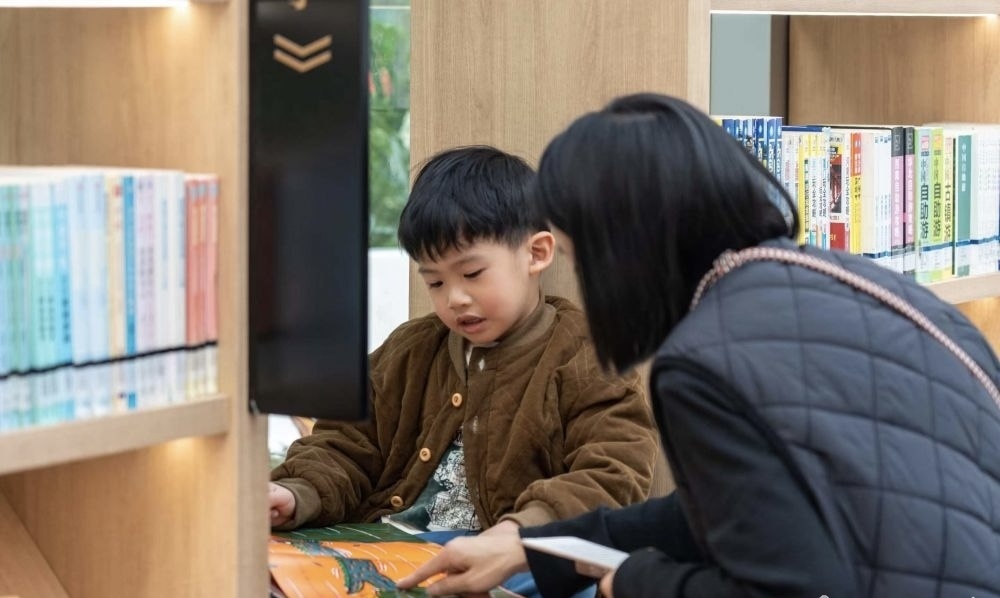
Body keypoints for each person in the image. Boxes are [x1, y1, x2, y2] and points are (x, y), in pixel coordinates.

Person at [397, 94, 1000, 597]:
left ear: (624, 249)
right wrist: (533, 547)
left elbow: (783, 584)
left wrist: (634, 581)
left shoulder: (704, 360)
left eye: (583, 257)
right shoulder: (860, 284)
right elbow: (740, 509)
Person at [269, 145, 659, 594]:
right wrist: (298, 492)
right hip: (388, 547)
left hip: (514, 557)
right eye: (435, 281)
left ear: (536, 253)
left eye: (472, 274)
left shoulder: (586, 353)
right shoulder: (413, 349)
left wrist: (523, 533)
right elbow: (344, 445)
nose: (454, 298)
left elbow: (613, 470)